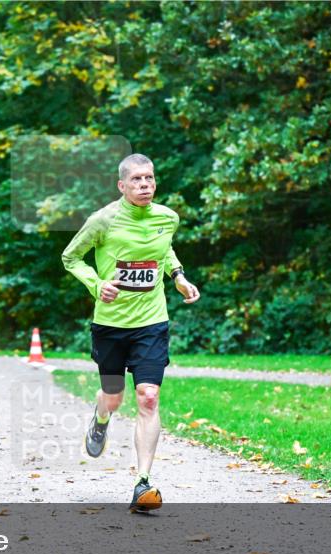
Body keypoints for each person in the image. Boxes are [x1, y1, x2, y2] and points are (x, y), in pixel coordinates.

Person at [61, 153, 200, 513]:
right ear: (122, 185)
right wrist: (97, 284)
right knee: (113, 396)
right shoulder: (103, 220)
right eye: (137, 180)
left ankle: (143, 484)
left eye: (150, 179)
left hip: (151, 322)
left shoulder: (167, 218)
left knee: (149, 397)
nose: (144, 186)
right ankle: (101, 417)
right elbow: (70, 257)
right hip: (110, 325)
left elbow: (163, 250)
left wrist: (179, 277)